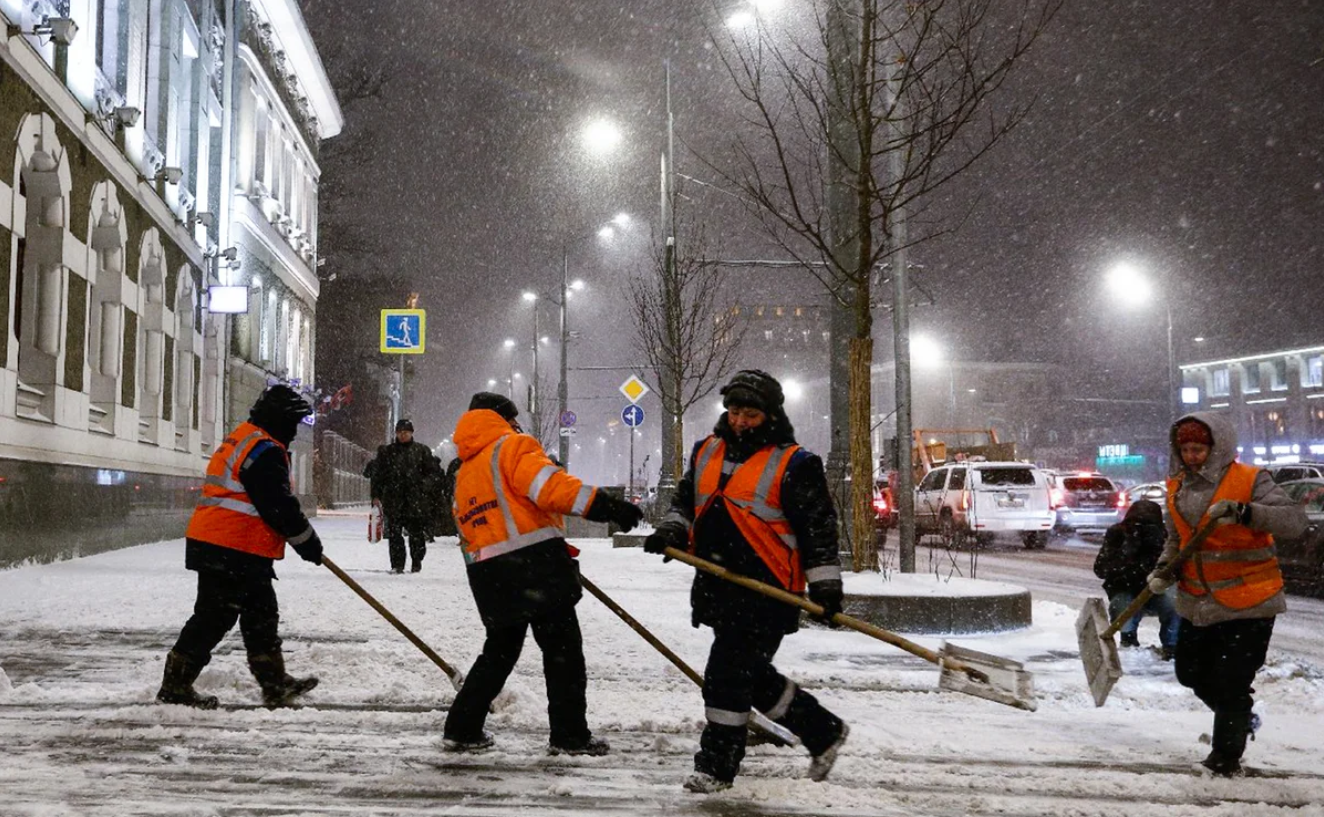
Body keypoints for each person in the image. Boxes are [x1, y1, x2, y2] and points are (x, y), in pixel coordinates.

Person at [642, 370, 848, 793]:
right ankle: (823, 730)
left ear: (770, 416)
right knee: (750, 677)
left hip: (767, 591)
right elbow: (686, 502)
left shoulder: (795, 463)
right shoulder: (706, 451)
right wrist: (672, 531)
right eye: (734, 411)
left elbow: (819, 530)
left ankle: (716, 767)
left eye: (750, 414)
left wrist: (826, 586)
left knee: (726, 677)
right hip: (718, 587)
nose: (739, 421)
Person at [443, 392, 644, 755]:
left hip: (489, 575)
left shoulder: (464, 470)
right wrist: (606, 506)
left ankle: (462, 726)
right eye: (513, 418)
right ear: (503, 419)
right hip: (533, 567)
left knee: (500, 652)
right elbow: (550, 489)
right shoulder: (512, 446)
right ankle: (570, 735)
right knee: (563, 650)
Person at [1149, 412, 1307, 776]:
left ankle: (1225, 757)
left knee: (1232, 680)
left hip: (1251, 600)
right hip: (1198, 602)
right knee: (1190, 673)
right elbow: (1177, 540)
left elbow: (1293, 522)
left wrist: (1245, 512)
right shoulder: (1176, 486)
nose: (1192, 455)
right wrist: (1162, 569)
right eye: (1185, 448)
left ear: (1216, 446)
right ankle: (1238, 716)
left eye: (1199, 448)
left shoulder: (1251, 479)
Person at [157, 385, 325, 710]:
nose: (294, 432)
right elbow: (278, 507)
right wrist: (308, 544)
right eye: (293, 423)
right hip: (228, 546)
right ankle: (175, 685)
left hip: (234, 546)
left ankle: (274, 684)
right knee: (214, 616)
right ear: (279, 420)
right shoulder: (263, 451)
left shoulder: (250, 439)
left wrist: (305, 543)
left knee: (260, 614)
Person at [1093, 499, 1179, 658]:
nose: (1140, 529)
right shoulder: (1117, 534)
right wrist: (1126, 554)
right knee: (1122, 605)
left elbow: (1174, 567)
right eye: (1136, 524)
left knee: (1174, 604)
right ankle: (1129, 640)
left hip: (1156, 589)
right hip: (1124, 587)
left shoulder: (1165, 538)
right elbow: (1101, 569)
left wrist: (1155, 553)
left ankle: (1172, 644)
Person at [364, 419, 442, 573]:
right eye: (400, 432)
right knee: (394, 534)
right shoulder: (387, 452)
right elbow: (378, 476)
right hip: (394, 499)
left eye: (405, 432)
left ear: (411, 433)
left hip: (415, 500)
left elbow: (433, 474)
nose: (402, 435)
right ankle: (397, 564)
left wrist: (424, 487)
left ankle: (416, 561)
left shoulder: (421, 451)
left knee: (416, 534)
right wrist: (376, 495)